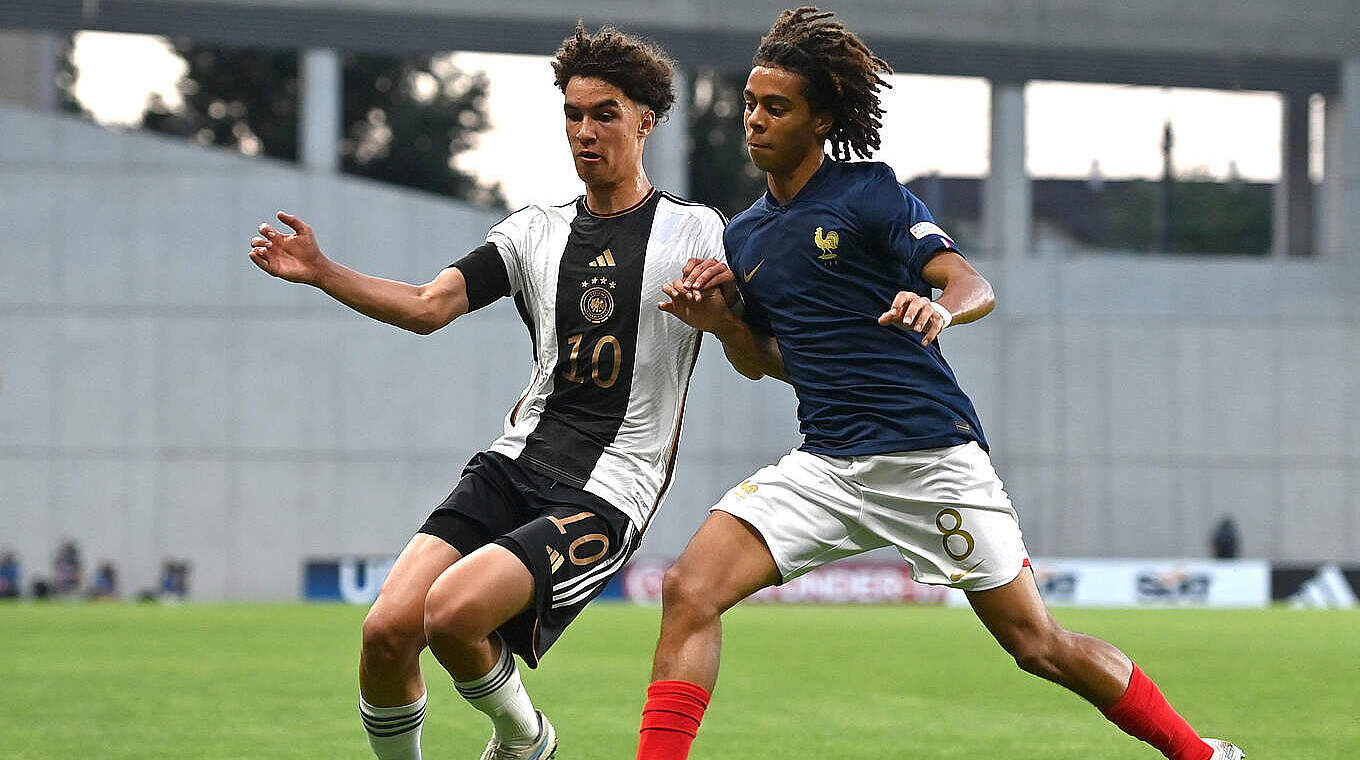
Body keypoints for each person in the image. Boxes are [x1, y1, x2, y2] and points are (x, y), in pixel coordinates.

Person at [641, 8, 1244, 760]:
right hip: (827, 464)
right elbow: (770, 360)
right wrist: (721, 322)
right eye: (751, 104)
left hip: (929, 456)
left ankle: (1202, 755)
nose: (755, 120)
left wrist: (938, 306)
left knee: (1038, 645)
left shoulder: (870, 195)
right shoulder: (748, 234)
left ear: (822, 119)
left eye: (777, 106)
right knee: (688, 590)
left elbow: (970, 281)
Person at [249, 22, 723, 760]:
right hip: (515, 463)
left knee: (453, 615)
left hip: (605, 491)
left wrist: (722, 316)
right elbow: (426, 306)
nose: (584, 131)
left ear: (645, 120)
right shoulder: (534, 232)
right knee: (386, 632)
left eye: (604, 113)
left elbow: (758, 348)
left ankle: (523, 738)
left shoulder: (697, 233)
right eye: (572, 113)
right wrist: (323, 270)